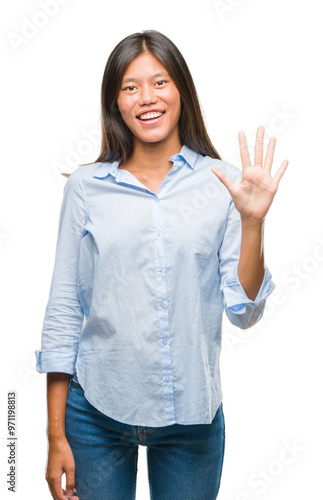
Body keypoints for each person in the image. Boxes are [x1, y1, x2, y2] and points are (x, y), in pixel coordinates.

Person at [35, 29, 288, 500]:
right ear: (115, 102)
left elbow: (245, 313)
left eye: (159, 82)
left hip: (192, 417)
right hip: (95, 416)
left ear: (181, 91)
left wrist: (252, 222)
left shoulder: (226, 183)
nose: (146, 98)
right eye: (130, 87)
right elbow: (64, 311)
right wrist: (54, 436)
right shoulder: (86, 188)